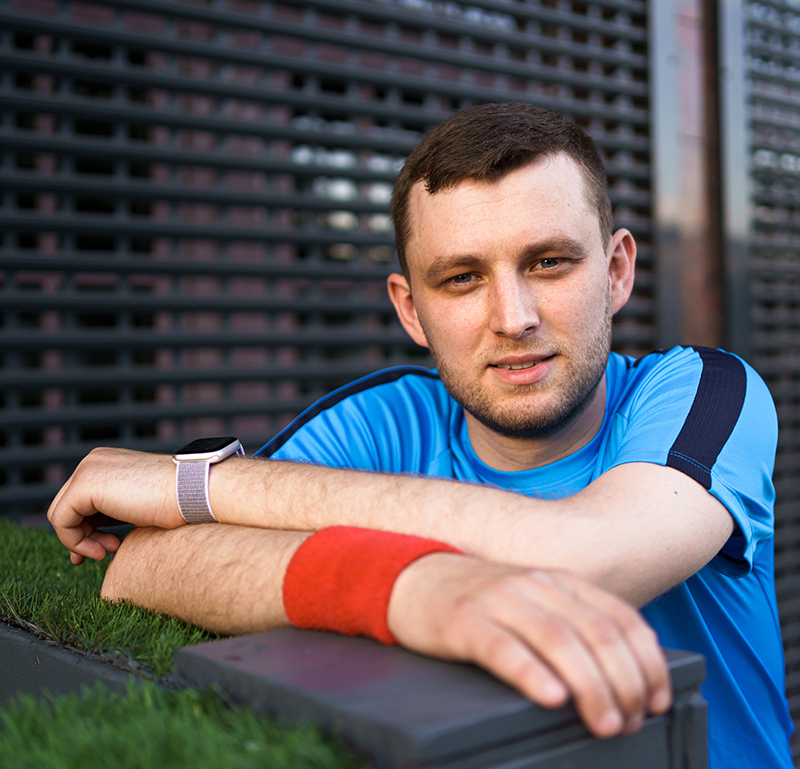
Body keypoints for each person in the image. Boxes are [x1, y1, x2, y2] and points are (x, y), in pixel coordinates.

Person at [46, 103, 793, 766]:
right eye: (462, 278)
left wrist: (208, 480)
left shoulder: (705, 390)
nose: (513, 316)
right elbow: (145, 566)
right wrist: (414, 585)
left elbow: (584, 556)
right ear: (410, 308)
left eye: (550, 261)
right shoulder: (385, 418)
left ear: (618, 270)